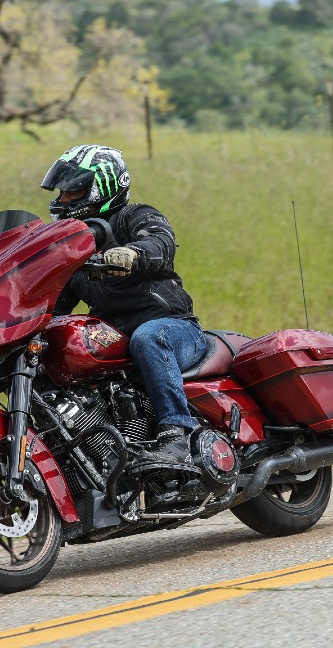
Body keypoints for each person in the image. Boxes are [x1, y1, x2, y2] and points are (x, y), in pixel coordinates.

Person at [40, 144, 206, 467]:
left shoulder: (135, 216)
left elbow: (161, 243)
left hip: (175, 329)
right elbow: (54, 306)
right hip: (116, 336)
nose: (62, 200)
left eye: (73, 193)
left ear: (101, 188)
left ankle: (178, 436)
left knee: (149, 337)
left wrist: (133, 254)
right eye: (62, 192)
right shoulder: (74, 249)